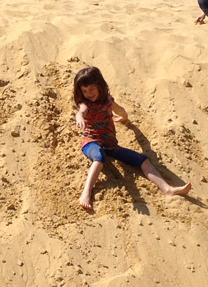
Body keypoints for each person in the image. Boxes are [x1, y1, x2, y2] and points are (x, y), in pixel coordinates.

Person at [72, 66, 190, 212]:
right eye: (84, 91)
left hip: (111, 145)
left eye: (92, 89)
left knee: (143, 160)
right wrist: (79, 117)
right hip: (91, 142)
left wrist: (124, 118)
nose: (88, 94)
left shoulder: (107, 100)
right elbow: (81, 112)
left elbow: (119, 109)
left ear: (100, 87)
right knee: (99, 156)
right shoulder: (86, 104)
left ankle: (167, 189)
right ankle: (86, 193)